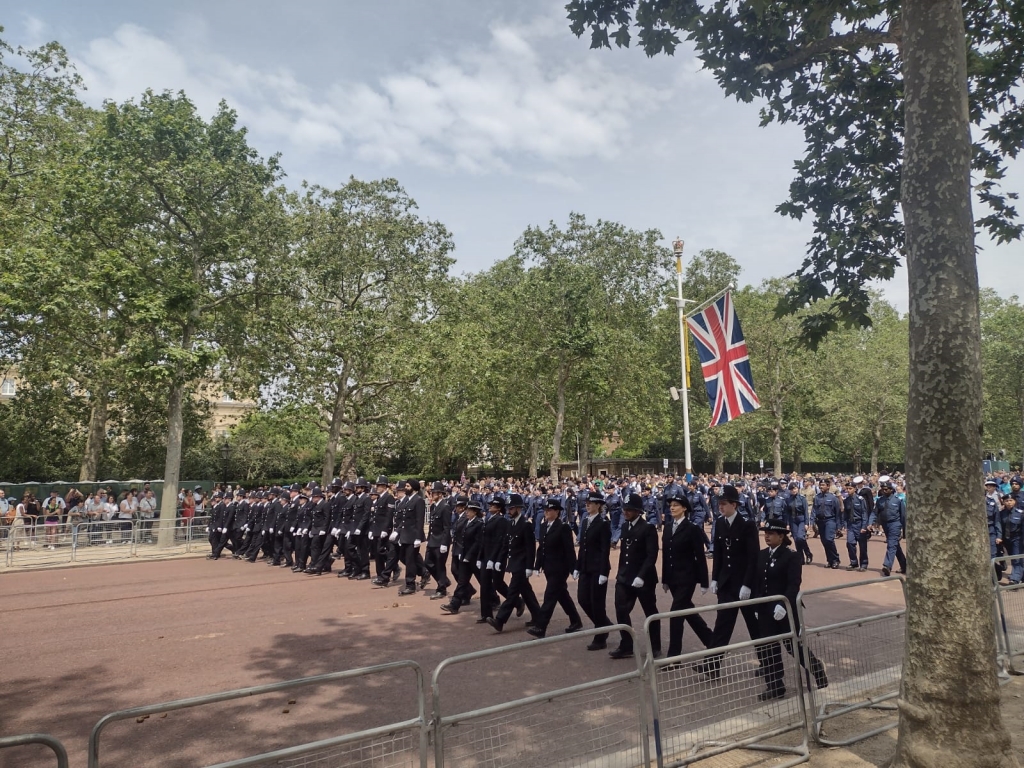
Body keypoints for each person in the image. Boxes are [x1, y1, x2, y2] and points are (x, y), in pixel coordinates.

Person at [753, 517, 828, 700]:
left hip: (785, 608)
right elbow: (759, 582)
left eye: (771, 534)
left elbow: (793, 584)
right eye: (765, 533)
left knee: (793, 646)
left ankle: (817, 671)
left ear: (781, 536)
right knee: (769, 648)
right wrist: (756, 604)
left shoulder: (791, 556)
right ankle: (775, 685)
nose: (767, 537)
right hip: (765, 609)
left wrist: (783, 604)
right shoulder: (762, 555)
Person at [698, 484, 760, 679]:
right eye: (719, 503)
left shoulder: (747, 525)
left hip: (745, 585)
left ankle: (768, 663)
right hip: (727, 584)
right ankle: (712, 666)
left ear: (734, 504)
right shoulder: (720, 523)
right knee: (722, 627)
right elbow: (719, 554)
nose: (720, 507)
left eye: (724, 503)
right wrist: (715, 578)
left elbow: (753, 557)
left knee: (755, 628)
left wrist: (747, 584)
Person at [660, 487, 714, 662]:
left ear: (684, 508)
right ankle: (711, 640)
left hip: (687, 578)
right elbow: (666, 555)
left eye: (676, 505)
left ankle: (673, 657)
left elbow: (700, 556)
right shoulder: (668, 528)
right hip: (673, 578)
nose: (672, 508)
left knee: (675, 615)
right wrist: (665, 578)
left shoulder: (692, 529)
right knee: (687, 611)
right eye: (671, 505)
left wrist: (704, 581)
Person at [609, 493, 661, 659]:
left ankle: (655, 646)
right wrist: (620, 573)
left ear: (638, 511)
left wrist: (641, 576)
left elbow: (651, 555)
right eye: (625, 509)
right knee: (621, 609)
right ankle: (626, 645)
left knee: (650, 612)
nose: (626, 512)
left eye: (630, 510)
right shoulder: (625, 527)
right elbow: (625, 553)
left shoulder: (648, 528)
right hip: (625, 577)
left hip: (643, 579)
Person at [527, 498, 583, 638]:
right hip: (548, 567)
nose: (546, 512)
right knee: (562, 595)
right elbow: (541, 548)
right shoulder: (544, 526)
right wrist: (537, 565)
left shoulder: (563, 527)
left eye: (549, 510)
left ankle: (541, 627)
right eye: (545, 510)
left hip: (560, 568)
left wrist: (574, 568)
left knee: (550, 596)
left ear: (557, 511)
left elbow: (569, 550)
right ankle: (575, 620)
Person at [488, 493, 539, 631]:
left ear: (518, 508)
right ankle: (538, 616)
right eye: (508, 508)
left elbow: (530, 548)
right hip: (514, 563)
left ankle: (500, 620)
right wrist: (499, 560)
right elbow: (506, 545)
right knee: (526, 592)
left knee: (512, 593)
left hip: (521, 565)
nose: (509, 511)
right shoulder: (511, 523)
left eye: (511, 508)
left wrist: (529, 566)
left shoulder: (525, 525)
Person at [574, 490, 613, 650]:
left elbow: (605, 550)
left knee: (597, 603)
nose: (587, 505)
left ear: (598, 505)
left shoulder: (603, 524)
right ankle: (604, 624)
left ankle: (600, 637)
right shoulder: (585, 521)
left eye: (591, 503)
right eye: (587, 503)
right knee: (583, 599)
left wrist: (603, 572)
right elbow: (583, 546)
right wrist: (577, 566)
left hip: (598, 568)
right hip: (585, 567)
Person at [442, 499, 484, 614]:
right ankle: (454, 605)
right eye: (466, 510)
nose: (466, 512)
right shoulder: (468, 522)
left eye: (469, 510)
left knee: (483, 581)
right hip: (465, 557)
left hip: (474, 558)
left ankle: (494, 599)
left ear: (475, 512)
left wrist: (468, 556)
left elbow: (477, 542)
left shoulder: (479, 523)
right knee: (462, 582)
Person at [478, 497, 511, 621]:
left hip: (496, 557)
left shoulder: (502, 521)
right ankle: (486, 614)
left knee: (498, 583)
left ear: (499, 508)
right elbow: (484, 540)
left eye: (493, 505)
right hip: (486, 556)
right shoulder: (489, 519)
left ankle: (516, 601)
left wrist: (493, 559)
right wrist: (480, 557)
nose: (490, 506)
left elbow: (499, 541)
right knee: (485, 585)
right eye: (490, 504)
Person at [871, 476, 907, 577]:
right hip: (885, 525)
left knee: (891, 544)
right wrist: (870, 523)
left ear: (891, 490)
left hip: (895, 524)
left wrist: (904, 531)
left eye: (886, 489)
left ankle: (887, 565)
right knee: (895, 545)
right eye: (883, 489)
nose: (884, 491)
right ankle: (904, 565)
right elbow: (874, 513)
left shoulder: (898, 500)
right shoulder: (880, 500)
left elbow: (903, 516)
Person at [396, 480, 426, 596]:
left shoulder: (418, 500)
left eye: (408, 486)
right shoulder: (408, 500)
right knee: (403, 557)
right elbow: (404, 519)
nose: (405, 488)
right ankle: (424, 572)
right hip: (405, 535)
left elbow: (419, 520)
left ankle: (410, 585)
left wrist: (418, 537)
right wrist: (398, 532)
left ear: (414, 488)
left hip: (413, 536)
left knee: (410, 561)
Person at [424, 481, 453, 598]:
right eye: (431, 492)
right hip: (432, 540)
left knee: (440, 565)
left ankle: (441, 589)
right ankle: (444, 581)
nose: (432, 494)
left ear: (440, 494)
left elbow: (447, 527)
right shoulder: (433, 506)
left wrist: (445, 543)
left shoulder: (445, 507)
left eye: (434, 492)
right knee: (428, 563)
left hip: (440, 541)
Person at [812, 478, 842, 569]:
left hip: (830, 520)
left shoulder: (833, 498)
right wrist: (812, 521)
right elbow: (814, 510)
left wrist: (839, 526)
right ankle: (830, 560)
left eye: (823, 485)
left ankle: (836, 559)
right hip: (820, 521)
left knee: (829, 540)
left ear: (828, 486)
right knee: (824, 541)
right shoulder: (817, 497)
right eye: (820, 485)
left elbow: (838, 513)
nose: (821, 487)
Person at [843, 480, 871, 571]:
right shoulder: (846, 500)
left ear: (855, 489)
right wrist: (845, 525)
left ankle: (864, 563)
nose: (848, 490)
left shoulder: (860, 499)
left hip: (859, 523)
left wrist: (864, 526)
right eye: (847, 489)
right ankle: (854, 562)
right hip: (851, 524)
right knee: (850, 543)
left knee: (862, 545)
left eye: (850, 488)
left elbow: (864, 513)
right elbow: (845, 514)